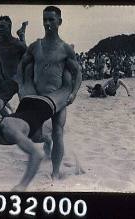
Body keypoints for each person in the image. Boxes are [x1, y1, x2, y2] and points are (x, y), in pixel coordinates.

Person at [0, 68, 73, 191]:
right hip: (24, 110)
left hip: (41, 106)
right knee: (36, 138)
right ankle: (47, 140)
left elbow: (37, 154)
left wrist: (22, 185)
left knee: (67, 89)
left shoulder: (8, 128)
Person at [17, 6, 82, 180]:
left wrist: (74, 93)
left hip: (58, 97)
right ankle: (47, 143)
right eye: (45, 19)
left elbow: (77, 73)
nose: (47, 23)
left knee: (58, 131)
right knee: (34, 135)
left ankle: (55, 172)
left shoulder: (65, 49)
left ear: (59, 22)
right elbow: (22, 66)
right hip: (36, 97)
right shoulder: (35, 46)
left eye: (51, 19)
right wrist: (21, 86)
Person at [0, 15, 27, 81]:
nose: (0, 29)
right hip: (4, 81)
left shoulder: (18, 45)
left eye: (2, 27)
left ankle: (22, 34)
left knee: (24, 46)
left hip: (17, 81)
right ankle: (21, 33)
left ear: (9, 26)